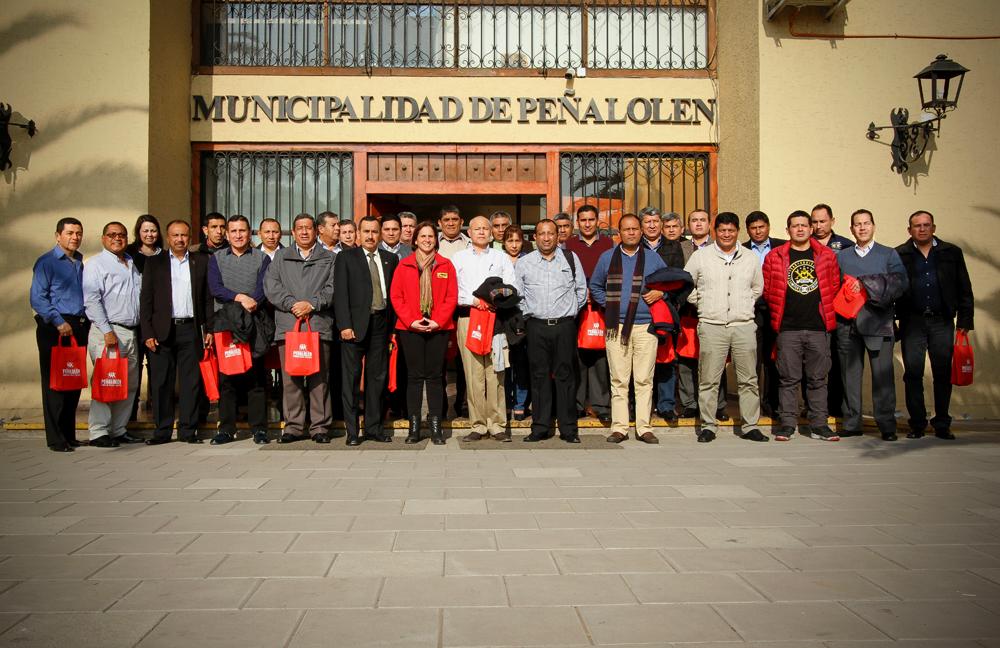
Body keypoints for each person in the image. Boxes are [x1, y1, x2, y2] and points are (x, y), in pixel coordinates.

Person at [684, 212, 766, 443]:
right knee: (709, 378)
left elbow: (757, 288)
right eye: (722, 230)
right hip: (712, 324)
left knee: (748, 379)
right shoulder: (701, 257)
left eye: (731, 230)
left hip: (743, 325)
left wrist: (745, 303)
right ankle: (708, 425)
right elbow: (686, 283)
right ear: (715, 231)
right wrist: (702, 301)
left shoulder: (750, 258)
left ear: (737, 231)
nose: (727, 234)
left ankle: (750, 425)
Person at [896, 210, 975, 441]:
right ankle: (918, 424)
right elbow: (891, 289)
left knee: (942, 373)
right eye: (917, 225)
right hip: (913, 322)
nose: (922, 229)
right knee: (913, 373)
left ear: (934, 227)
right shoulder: (900, 254)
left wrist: (965, 321)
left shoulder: (951, 252)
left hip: (942, 321)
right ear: (909, 229)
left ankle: (942, 423)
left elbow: (964, 288)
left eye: (926, 225)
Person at [762, 211, 840, 442]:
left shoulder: (826, 255)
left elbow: (834, 285)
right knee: (788, 379)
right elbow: (768, 289)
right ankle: (787, 424)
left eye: (804, 225)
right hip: (788, 327)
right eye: (795, 226)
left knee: (818, 379)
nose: (800, 229)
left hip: (818, 327)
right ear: (788, 230)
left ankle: (819, 425)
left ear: (811, 229)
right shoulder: (774, 256)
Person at [590, 214, 668, 443]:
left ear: (641, 231)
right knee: (619, 379)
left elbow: (670, 284)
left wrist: (662, 293)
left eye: (635, 229)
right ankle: (620, 427)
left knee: (644, 379)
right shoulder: (607, 258)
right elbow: (595, 286)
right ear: (619, 233)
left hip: (645, 327)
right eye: (627, 229)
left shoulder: (653, 259)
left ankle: (644, 427)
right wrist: (610, 304)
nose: (631, 232)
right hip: (617, 326)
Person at [140, 220, 214, 445]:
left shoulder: (201, 261)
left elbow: (207, 299)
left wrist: (209, 328)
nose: (180, 239)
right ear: (168, 237)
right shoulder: (155, 263)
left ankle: (188, 430)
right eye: (175, 235)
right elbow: (146, 300)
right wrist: (147, 332)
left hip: (191, 329)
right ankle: (162, 431)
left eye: (184, 235)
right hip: (162, 330)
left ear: (189, 237)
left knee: (191, 381)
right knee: (161, 382)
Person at [265, 213, 337, 444]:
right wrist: (291, 304)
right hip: (290, 325)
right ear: (293, 233)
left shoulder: (328, 258)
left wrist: (312, 304)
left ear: (316, 231)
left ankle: (320, 427)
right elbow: (271, 286)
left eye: (308, 228)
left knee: (319, 379)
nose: (304, 232)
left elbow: (332, 288)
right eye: (299, 228)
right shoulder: (281, 257)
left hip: (317, 325)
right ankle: (294, 426)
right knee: (291, 379)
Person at [835, 209, 908, 441]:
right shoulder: (842, 256)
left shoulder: (888, 254)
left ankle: (886, 424)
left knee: (882, 377)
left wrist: (866, 284)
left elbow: (901, 283)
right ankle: (852, 422)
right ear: (851, 229)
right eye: (857, 224)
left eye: (866, 223)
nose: (862, 228)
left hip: (878, 324)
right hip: (847, 325)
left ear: (874, 226)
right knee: (850, 376)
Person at [516, 219, 587, 443]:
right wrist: (530, 315)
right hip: (536, 326)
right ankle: (540, 427)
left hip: (564, 326)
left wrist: (570, 312)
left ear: (558, 236)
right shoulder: (524, 262)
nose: (546, 238)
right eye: (541, 234)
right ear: (534, 237)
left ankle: (568, 429)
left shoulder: (570, 259)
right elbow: (519, 295)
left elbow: (581, 290)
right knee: (538, 378)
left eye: (551, 234)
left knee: (566, 377)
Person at [389, 221, 457, 445]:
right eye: (423, 236)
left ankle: (436, 426)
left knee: (436, 377)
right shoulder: (404, 265)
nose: (427, 240)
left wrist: (437, 321)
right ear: (415, 240)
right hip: (411, 329)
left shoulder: (446, 265)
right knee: (415, 378)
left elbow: (451, 297)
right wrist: (412, 321)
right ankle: (414, 427)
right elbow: (396, 296)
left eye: (431, 236)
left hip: (439, 328)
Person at [208, 215, 272, 445]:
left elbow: (264, 287)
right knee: (227, 379)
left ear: (250, 233)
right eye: (233, 231)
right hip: (226, 324)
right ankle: (226, 429)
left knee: (256, 378)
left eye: (242, 231)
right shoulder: (216, 258)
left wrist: (251, 300)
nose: (238, 235)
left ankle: (259, 429)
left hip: (253, 323)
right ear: (226, 234)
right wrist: (239, 298)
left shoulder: (261, 258)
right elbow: (216, 288)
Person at [335, 216, 399, 445]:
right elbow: (340, 294)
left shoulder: (391, 258)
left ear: (379, 234)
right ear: (359, 234)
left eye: (374, 231)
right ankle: (352, 432)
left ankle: (373, 428)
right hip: (354, 326)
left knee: (377, 379)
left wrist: (393, 328)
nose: (371, 236)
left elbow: (393, 295)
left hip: (381, 324)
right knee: (351, 380)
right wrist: (344, 325)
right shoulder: (346, 257)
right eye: (366, 231)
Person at [452, 215, 515, 441]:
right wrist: (475, 300)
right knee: (473, 374)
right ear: (469, 233)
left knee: (495, 372)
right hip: (469, 317)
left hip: (495, 318)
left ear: (491, 233)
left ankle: (497, 424)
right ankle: (477, 424)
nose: (481, 232)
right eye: (476, 228)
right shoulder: (458, 258)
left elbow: (511, 287)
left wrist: (492, 300)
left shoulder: (501, 257)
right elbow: (454, 290)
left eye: (485, 228)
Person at [31, 217, 90, 452]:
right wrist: (58, 321)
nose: (74, 237)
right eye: (69, 233)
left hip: (77, 326)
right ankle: (56, 439)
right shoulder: (46, 262)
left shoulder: (79, 261)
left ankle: (69, 434)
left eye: (78, 233)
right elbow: (38, 298)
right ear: (58, 236)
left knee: (73, 381)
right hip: (54, 327)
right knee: (55, 383)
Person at [82, 222, 143, 447]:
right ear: (103, 238)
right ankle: (99, 432)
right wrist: (107, 330)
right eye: (112, 235)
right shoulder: (96, 264)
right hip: (108, 331)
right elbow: (91, 299)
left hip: (130, 332)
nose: (117, 238)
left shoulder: (130, 263)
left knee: (128, 384)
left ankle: (119, 429)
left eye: (121, 235)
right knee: (106, 381)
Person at [565, 204, 614, 420]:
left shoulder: (607, 243)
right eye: (583, 220)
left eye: (591, 220)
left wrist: (597, 291)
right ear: (577, 222)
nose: (587, 224)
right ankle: (576, 404)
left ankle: (600, 405)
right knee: (577, 356)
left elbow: (612, 273)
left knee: (599, 355)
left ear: (597, 221)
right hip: (577, 306)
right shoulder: (569, 244)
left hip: (600, 305)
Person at [677, 209, 727, 421]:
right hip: (688, 312)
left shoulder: (720, 248)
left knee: (716, 360)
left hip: (715, 313)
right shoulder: (680, 248)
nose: (698, 224)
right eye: (694, 220)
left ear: (710, 225)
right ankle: (689, 402)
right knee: (686, 360)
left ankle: (719, 404)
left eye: (702, 220)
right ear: (688, 225)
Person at [640, 206, 685, 422]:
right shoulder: (633, 246)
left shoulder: (674, 247)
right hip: (639, 310)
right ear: (641, 225)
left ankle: (666, 405)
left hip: (665, 310)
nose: (651, 225)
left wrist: (662, 292)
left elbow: (680, 279)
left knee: (666, 360)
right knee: (639, 361)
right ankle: (638, 405)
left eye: (655, 221)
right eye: (647, 222)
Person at [743, 210, 786, 417]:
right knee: (754, 359)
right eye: (753, 228)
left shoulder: (783, 247)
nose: (758, 231)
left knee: (774, 360)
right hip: (751, 310)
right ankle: (753, 406)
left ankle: (772, 404)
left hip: (777, 309)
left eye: (761, 227)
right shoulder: (740, 250)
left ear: (768, 226)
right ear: (747, 230)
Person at [811, 203, 851, 417]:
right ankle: (814, 408)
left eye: (822, 221)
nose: (818, 226)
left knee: (838, 361)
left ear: (832, 221)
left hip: (839, 313)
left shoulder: (845, 246)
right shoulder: (802, 246)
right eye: (814, 222)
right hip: (812, 313)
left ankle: (837, 407)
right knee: (814, 363)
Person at [125, 214, 163, 421]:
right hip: (135, 322)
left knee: (158, 371)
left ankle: (158, 414)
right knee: (133, 371)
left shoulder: (164, 256)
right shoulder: (129, 255)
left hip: (158, 322)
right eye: (145, 230)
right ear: (138, 233)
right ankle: (129, 416)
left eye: (153, 230)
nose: (150, 234)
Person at [437, 205, 470, 418]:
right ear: (439, 223)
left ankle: (463, 403)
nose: (450, 223)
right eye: (446, 219)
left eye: (454, 219)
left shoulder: (470, 243)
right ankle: (439, 406)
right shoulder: (432, 242)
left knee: (464, 360)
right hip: (439, 311)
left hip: (463, 310)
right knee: (439, 359)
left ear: (461, 221)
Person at [501, 225, 531, 421]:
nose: (514, 245)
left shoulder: (529, 260)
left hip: (524, 316)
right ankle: (507, 402)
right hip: (503, 317)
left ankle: (520, 403)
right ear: (503, 243)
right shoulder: (498, 259)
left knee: (521, 362)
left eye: (517, 241)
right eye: (510, 241)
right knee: (504, 363)